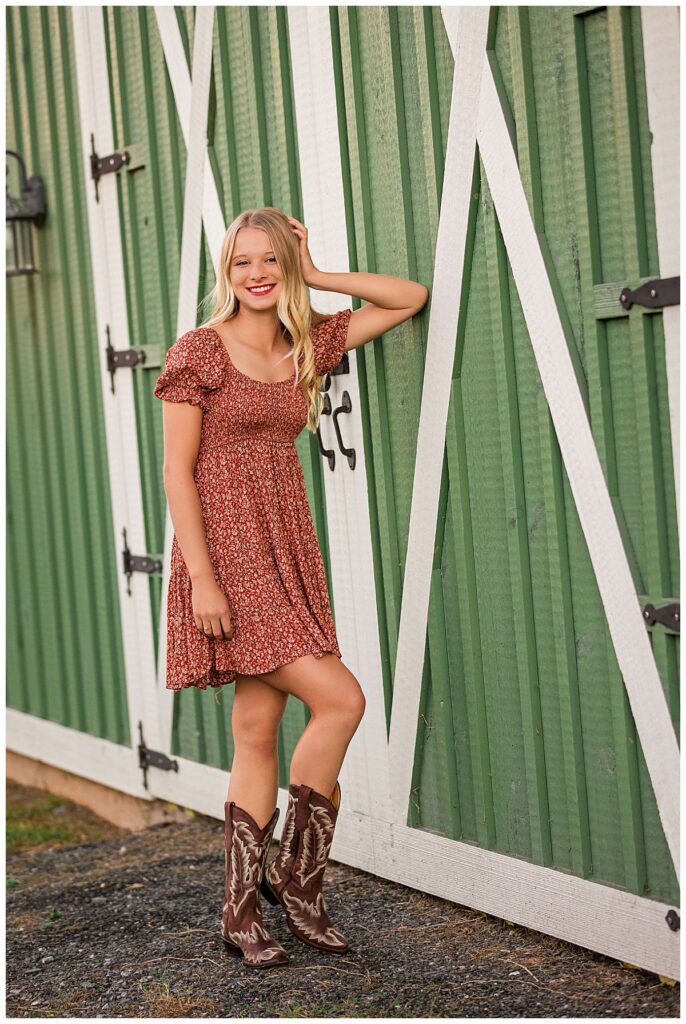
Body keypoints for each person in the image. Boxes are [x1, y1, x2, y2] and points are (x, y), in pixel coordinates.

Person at [153, 206, 429, 968]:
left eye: (271, 260)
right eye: (243, 263)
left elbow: (408, 297)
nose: (257, 275)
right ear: (226, 272)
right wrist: (202, 580)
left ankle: (241, 910)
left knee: (256, 727)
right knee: (342, 700)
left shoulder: (308, 343)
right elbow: (178, 470)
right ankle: (296, 881)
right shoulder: (200, 352)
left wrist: (317, 276)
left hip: (285, 547)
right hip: (228, 556)